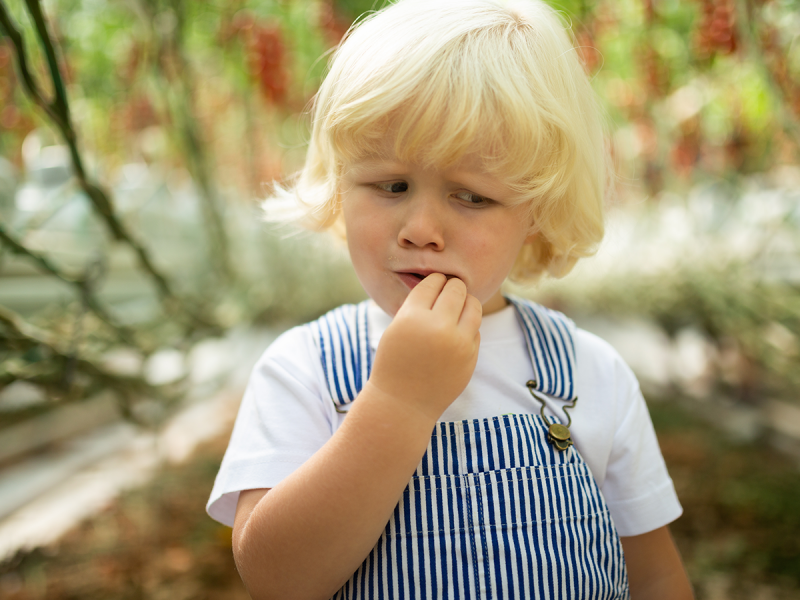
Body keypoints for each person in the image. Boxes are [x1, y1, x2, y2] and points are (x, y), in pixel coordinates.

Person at [207, 0, 694, 598]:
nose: (421, 228)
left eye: (471, 196)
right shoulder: (304, 369)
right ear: (340, 184)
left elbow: (655, 576)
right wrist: (398, 404)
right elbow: (277, 578)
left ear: (536, 213)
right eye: (391, 185)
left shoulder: (591, 373)